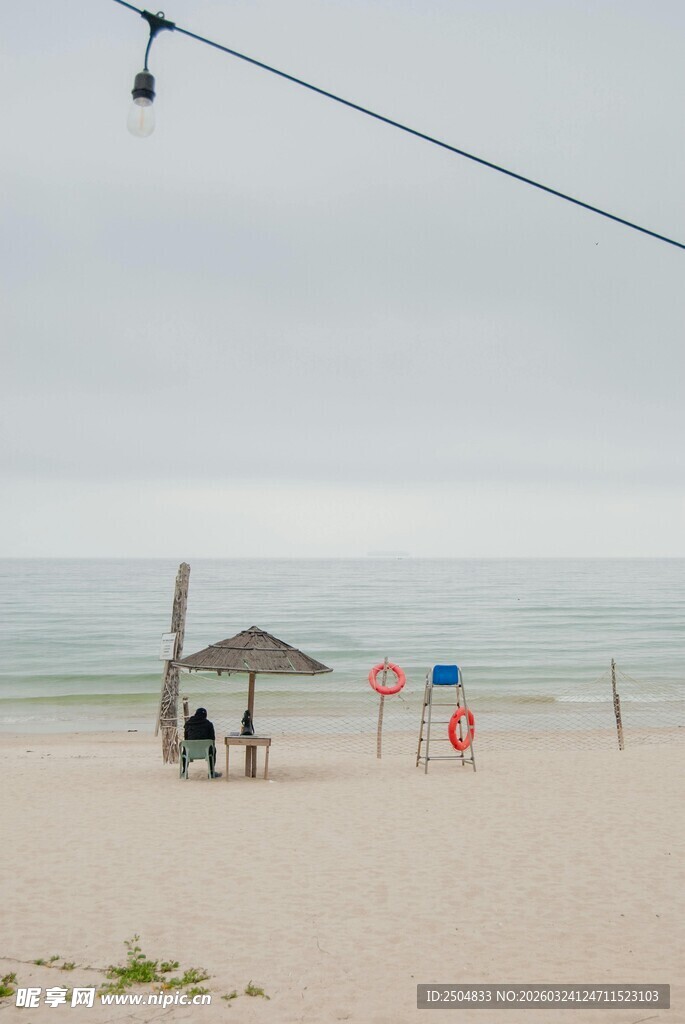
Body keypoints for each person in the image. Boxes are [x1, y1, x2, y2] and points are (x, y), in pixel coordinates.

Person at [182, 707, 221, 778]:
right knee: (213, 749)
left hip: (190, 751)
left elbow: (186, 738)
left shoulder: (188, 724)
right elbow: (212, 740)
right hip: (205, 751)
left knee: (185, 749)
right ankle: (211, 772)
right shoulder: (209, 724)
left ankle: (184, 771)